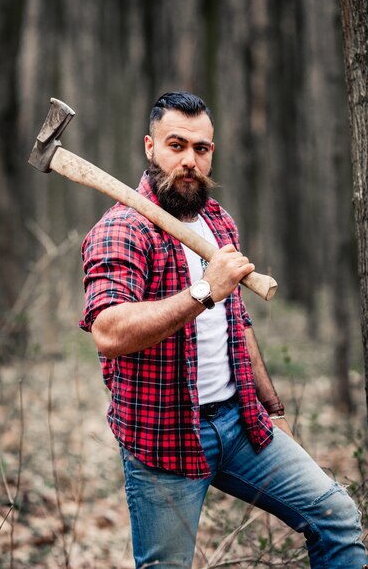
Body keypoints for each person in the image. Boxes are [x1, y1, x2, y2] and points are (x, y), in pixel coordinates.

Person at [80, 91, 367, 569]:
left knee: (337, 518)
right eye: (177, 145)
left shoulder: (217, 220)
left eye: (202, 148)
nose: (190, 160)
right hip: (162, 437)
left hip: (240, 425)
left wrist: (272, 410)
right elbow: (108, 332)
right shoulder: (122, 230)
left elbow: (237, 322)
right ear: (150, 147)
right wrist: (202, 292)